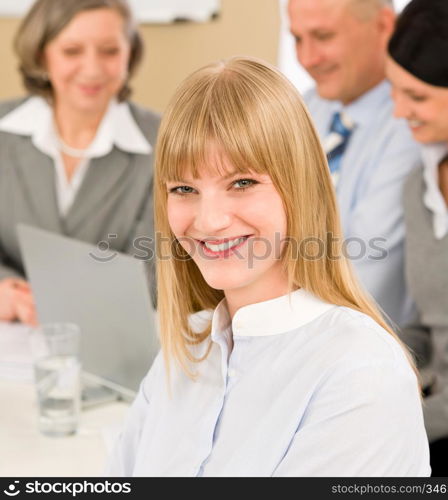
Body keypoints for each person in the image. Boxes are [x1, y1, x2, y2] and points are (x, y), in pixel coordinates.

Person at [106, 56, 430, 477]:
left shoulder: (360, 371)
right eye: (184, 189)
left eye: (242, 183)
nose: (208, 220)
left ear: (301, 187)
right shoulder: (186, 348)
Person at [0, 0, 160, 325]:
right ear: (42, 54)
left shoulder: (163, 142)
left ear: (130, 53)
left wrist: (59, 302)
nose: (92, 69)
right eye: (72, 51)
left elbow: (155, 269)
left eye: (109, 51)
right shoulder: (3, 129)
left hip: (110, 330)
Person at [287, 0, 421, 326]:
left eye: (323, 36)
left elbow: (367, 273)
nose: (307, 59)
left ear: (384, 26)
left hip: (360, 340)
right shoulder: (304, 109)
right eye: (297, 38)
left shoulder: (413, 124)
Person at [386, 0, 448, 478]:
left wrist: (399, 422)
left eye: (416, 97)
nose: (399, 111)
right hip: (437, 430)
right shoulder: (418, 187)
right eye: (394, 91)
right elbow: (431, 325)